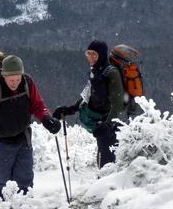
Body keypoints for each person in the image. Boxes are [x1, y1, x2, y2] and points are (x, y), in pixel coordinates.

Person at [0, 55, 61, 198]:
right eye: (11, 79)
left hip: (23, 138)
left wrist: (47, 119)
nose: (14, 83)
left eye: (17, 79)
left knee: (25, 180)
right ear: (3, 75)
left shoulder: (27, 83)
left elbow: (37, 105)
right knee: (2, 182)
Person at [53, 40, 125, 168]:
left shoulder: (111, 73)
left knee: (108, 163)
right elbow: (87, 94)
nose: (91, 57)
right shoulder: (96, 71)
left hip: (110, 126)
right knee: (103, 157)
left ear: (101, 55)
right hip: (99, 123)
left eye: (94, 54)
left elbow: (118, 103)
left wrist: (108, 125)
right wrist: (70, 109)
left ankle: (108, 185)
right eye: (89, 53)